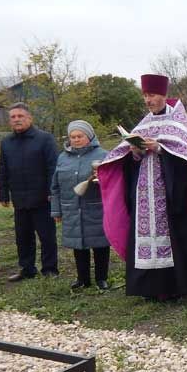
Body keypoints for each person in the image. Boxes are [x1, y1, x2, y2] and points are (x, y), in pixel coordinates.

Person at [97, 74, 187, 300]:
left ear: (163, 95)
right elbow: (130, 161)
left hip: (171, 196)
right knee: (145, 238)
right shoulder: (143, 124)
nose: (148, 100)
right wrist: (135, 153)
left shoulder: (178, 123)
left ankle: (176, 287)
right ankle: (149, 289)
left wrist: (162, 149)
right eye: (145, 95)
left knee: (174, 237)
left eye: (152, 95)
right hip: (144, 196)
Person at [0, 102, 60, 281]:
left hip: (42, 198)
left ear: (29, 118)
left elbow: (52, 167)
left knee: (47, 236)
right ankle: (27, 269)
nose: (16, 120)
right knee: (22, 237)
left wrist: (52, 191)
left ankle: (50, 269)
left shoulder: (44, 139)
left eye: (20, 116)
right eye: (13, 117)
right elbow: (3, 168)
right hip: (19, 198)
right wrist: (3, 193)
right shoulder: (6, 142)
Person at [51, 120, 110, 290]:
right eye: (72, 137)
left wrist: (101, 180)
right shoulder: (62, 158)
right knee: (78, 245)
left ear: (89, 136)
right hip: (71, 208)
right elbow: (55, 186)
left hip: (96, 207)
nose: (76, 140)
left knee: (100, 244)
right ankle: (83, 279)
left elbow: (114, 182)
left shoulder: (104, 155)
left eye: (80, 136)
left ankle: (101, 279)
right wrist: (57, 210)